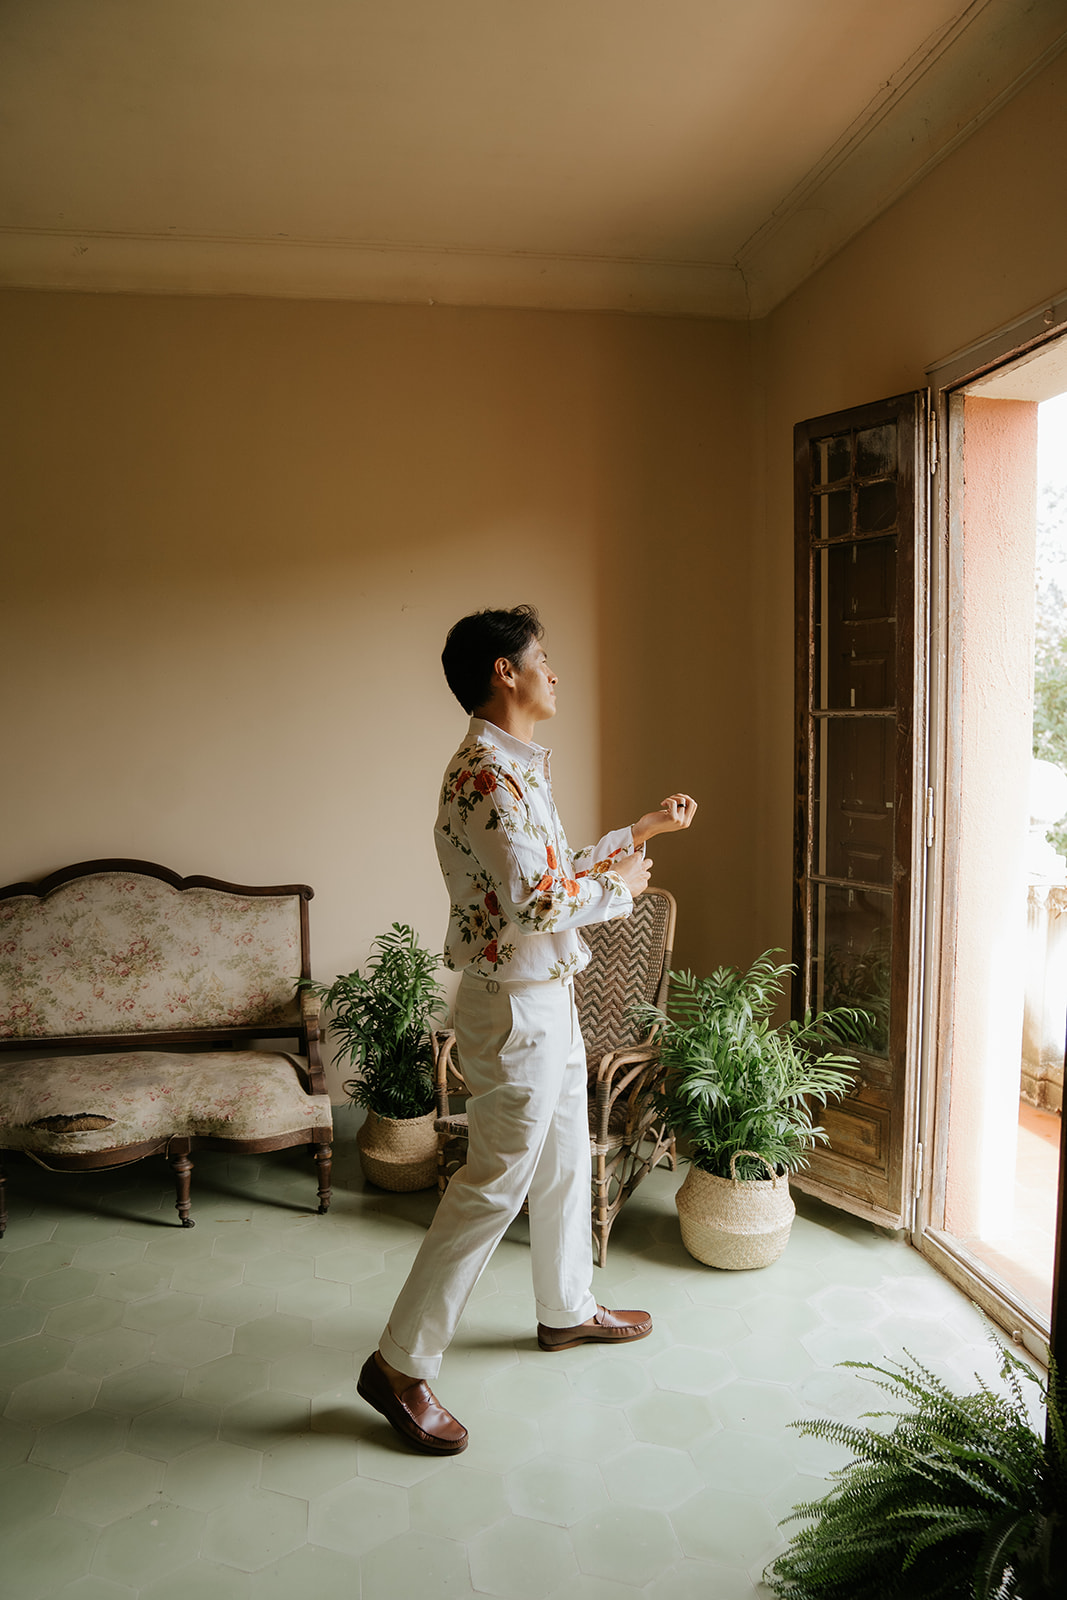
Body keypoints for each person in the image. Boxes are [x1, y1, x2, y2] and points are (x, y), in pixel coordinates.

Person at [357, 605, 697, 1453]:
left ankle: (565, 1310)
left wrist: (638, 834)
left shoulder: (513, 767)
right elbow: (537, 901)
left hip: (544, 990)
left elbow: (548, 870)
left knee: (565, 1157)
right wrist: (620, 886)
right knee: (493, 1182)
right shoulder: (484, 774)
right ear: (503, 672)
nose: (555, 671)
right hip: (514, 1004)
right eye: (541, 657)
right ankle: (397, 1366)